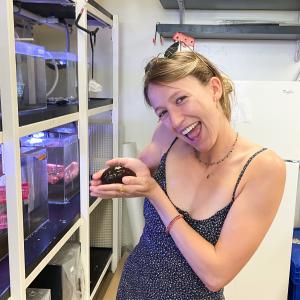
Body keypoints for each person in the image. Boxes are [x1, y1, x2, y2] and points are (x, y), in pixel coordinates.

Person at [89, 48, 286, 299]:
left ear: (214, 89)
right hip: (134, 288)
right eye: (163, 112)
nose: (176, 121)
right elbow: (137, 173)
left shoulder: (262, 169)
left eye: (181, 99)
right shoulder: (167, 136)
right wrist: (106, 179)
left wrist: (155, 194)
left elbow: (215, 275)